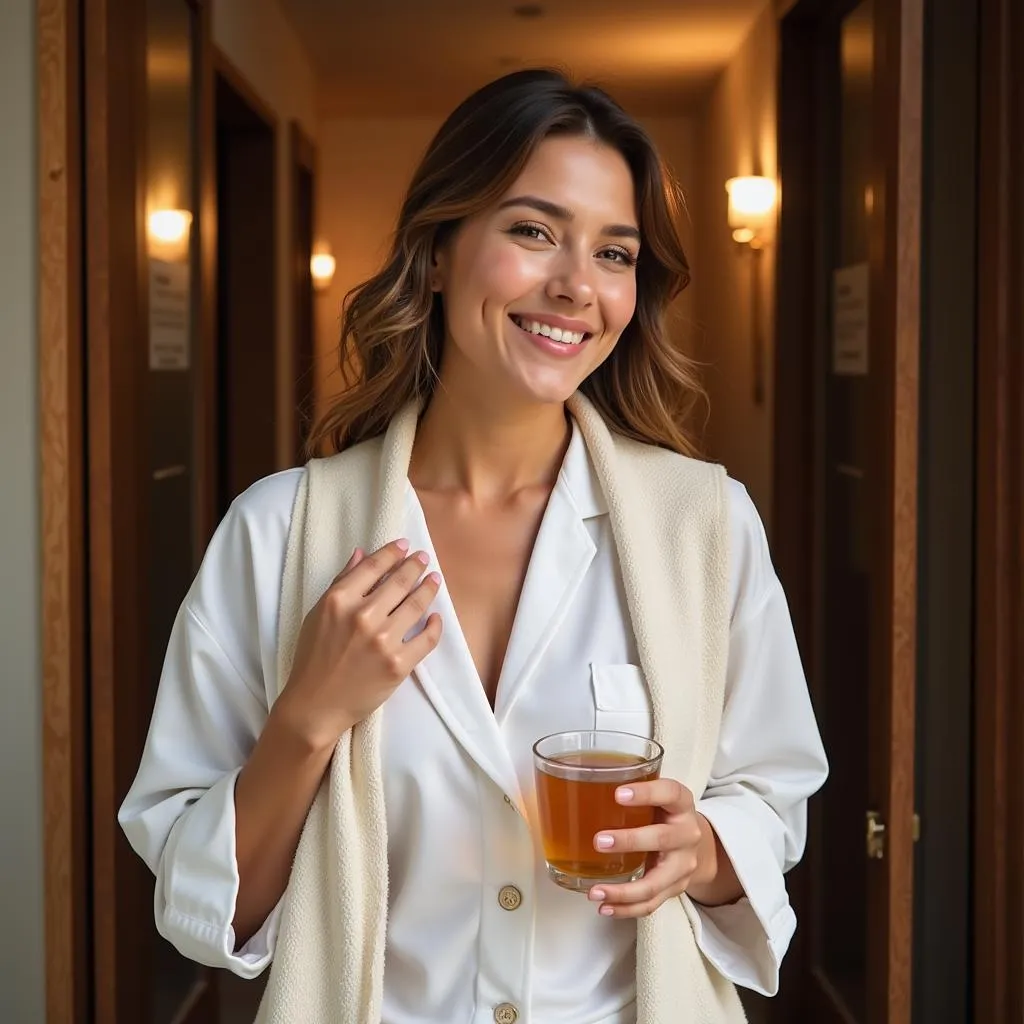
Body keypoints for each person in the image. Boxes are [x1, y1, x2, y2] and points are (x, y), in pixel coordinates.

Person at [119, 69, 827, 1024]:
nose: (576, 285)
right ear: (440, 250)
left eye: (613, 253)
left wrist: (704, 851)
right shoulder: (279, 532)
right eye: (533, 231)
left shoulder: (703, 525)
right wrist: (306, 719)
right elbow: (204, 913)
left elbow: (773, 796)